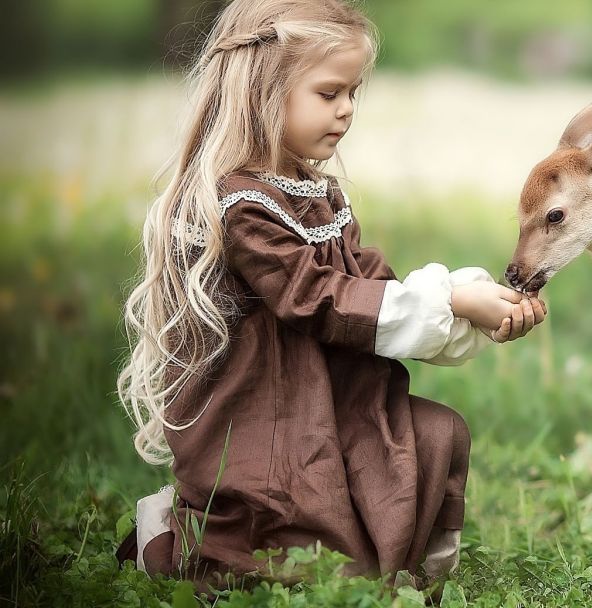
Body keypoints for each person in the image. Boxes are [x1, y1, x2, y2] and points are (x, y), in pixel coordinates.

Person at [114, 0, 546, 591]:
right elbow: (318, 298)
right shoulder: (239, 206)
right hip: (269, 411)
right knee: (306, 540)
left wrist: (468, 299)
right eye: (329, 93)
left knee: (433, 433)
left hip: (328, 395)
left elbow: (369, 283)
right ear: (264, 91)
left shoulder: (316, 194)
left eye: (354, 94)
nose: (346, 111)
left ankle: (390, 571)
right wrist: (448, 302)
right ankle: (180, 546)